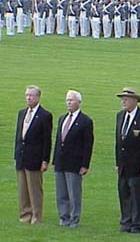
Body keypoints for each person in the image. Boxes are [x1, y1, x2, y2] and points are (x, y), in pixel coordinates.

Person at [115, 87, 140, 234]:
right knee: (123, 194)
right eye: (122, 98)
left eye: (126, 98)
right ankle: (125, 222)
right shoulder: (120, 116)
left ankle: (137, 224)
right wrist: (118, 163)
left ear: (134, 100)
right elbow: (118, 142)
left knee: (137, 196)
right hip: (123, 166)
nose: (123, 101)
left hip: (139, 167)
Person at [52, 90, 94, 228]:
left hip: (75, 163)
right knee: (61, 193)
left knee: (74, 193)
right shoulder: (62, 118)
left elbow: (88, 144)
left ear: (78, 102)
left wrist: (85, 165)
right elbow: (58, 141)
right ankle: (63, 217)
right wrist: (54, 160)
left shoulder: (85, 121)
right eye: (67, 100)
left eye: (71, 100)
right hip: (60, 162)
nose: (68, 102)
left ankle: (74, 219)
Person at [14, 85, 53, 224]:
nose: (28, 98)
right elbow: (18, 136)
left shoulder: (45, 115)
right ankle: (25, 214)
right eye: (26, 95)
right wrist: (16, 155)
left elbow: (46, 140)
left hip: (35, 158)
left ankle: (36, 216)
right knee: (22, 189)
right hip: (21, 156)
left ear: (38, 97)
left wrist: (45, 160)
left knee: (34, 189)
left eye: (31, 95)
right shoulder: (21, 113)